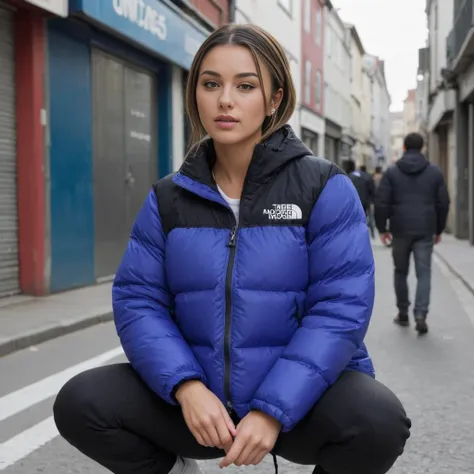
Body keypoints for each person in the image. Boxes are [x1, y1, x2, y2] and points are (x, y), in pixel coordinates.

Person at [53, 24, 410, 474]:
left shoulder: (323, 187)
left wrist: (272, 408)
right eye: (211, 84)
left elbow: (341, 308)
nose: (225, 100)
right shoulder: (168, 199)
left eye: (245, 85)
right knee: (82, 402)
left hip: (298, 406)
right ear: (195, 93)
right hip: (202, 411)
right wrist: (186, 387)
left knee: (378, 420)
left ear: (275, 99)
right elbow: (138, 300)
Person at [375, 132, 450, 335]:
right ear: (423, 147)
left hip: (400, 229)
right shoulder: (434, 172)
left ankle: (403, 313)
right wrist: (439, 229)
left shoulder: (392, 172)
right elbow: (443, 202)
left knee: (400, 271)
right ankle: (421, 314)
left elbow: (381, 202)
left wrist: (382, 228)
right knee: (424, 273)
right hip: (425, 229)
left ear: (405, 148)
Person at [344, 160, 375, 238]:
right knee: (365, 217)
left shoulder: (347, 176)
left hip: (352, 202)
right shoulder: (366, 176)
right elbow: (371, 190)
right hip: (365, 201)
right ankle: (369, 233)